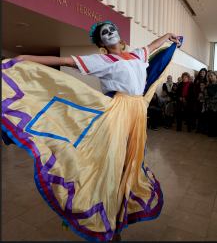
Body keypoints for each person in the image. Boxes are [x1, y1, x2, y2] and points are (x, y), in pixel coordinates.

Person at [2, 20, 180, 241]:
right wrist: (26, 58)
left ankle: (118, 215)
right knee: (112, 168)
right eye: (105, 33)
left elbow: (153, 45)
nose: (110, 32)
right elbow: (64, 61)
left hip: (137, 113)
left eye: (112, 29)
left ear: (119, 35)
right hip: (117, 114)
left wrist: (168, 36)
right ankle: (107, 223)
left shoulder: (137, 55)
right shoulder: (101, 60)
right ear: (101, 43)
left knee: (128, 166)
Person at [205, 71, 217, 137]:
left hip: (216, 105)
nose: (210, 77)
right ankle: (211, 132)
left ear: (215, 76)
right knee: (210, 119)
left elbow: (213, 95)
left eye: (211, 75)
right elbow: (206, 94)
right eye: (209, 76)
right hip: (209, 105)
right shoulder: (208, 85)